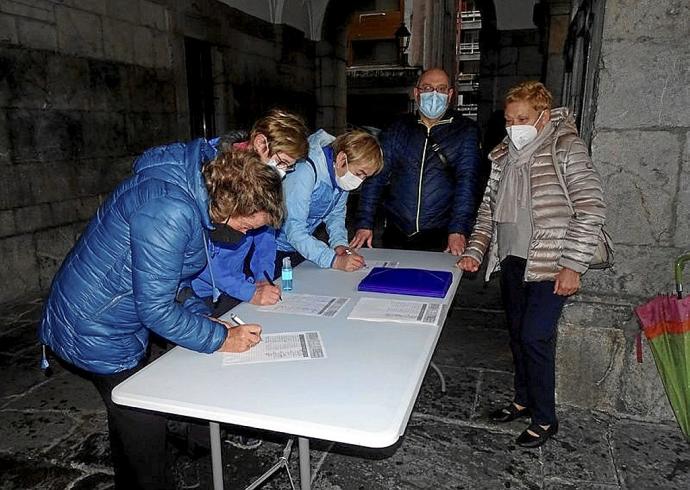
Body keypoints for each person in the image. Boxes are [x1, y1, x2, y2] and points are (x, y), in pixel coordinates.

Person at [38, 147, 284, 489]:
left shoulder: (193, 196)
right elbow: (155, 308)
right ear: (231, 205)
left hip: (110, 312)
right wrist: (222, 339)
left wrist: (205, 318)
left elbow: (172, 281)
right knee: (145, 422)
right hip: (94, 323)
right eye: (246, 226)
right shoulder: (172, 210)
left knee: (128, 415)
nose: (243, 235)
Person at [457, 81, 606, 448]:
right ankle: (522, 400)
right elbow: (488, 210)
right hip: (511, 259)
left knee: (534, 337)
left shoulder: (566, 147)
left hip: (550, 262)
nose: (514, 126)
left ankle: (545, 417)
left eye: (522, 118)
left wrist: (572, 265)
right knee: (517, 335)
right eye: (509, 119)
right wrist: (476, 250)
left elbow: (590, 208)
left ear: (543, 115)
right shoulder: (503, 154)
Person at [350, 67, 482, 255]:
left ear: (451, 94)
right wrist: (364, 223)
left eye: (441, 89)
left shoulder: (465, 131)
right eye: (427, 88)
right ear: (416, 93)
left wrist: (458, 229)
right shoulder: (397, 128)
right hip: (396, 233)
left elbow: (467, 184)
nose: (434, 94)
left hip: (440, 235)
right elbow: (376, 177)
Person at [193, 109, 309, 311]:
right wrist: (249, 292)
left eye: (288, 167)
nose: (282, 171)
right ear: (260, 143)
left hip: (232, 283)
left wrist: (263, 277)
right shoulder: (214, 175)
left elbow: (266, 235)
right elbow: (200, 255)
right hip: (195, 289)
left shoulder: (266, 178)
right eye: (281, 162)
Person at [275, 129, 384, 274]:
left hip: (301, 247)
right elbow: (294, 229)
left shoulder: (341, 175)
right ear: (341, 159)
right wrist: (333, 260)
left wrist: (339, 244)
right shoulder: (305, 171)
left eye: (365, 177)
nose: (359, 181)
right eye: (359, 173)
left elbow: (336, 215)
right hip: (273, 247)